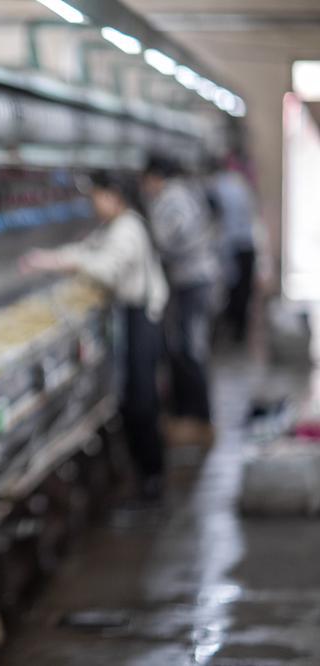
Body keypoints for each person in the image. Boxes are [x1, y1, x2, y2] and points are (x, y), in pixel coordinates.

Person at [20, 171, 169, 500]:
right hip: (131, 315)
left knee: (141, 402)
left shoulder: (129, 228)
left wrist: (60, 265)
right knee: (134, 398)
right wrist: (51, 259)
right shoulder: (117, 226)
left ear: (113, 195)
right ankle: (145, 477)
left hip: (141, 318)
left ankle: (151, 482)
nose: (93, 204)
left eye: (97, 196)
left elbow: (106, 268)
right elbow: (89, 249)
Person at [141, 155, 218, 447]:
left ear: (154, 177)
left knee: (189, 350)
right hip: (193, 279)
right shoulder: (184, 192)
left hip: (192, 280)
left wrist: (154, 242)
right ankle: (192, 418)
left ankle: (201, 420)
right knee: (185, 348)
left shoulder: (172, 198)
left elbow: (171, 237)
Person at [211, 154, 259, 343]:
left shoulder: (217, 185)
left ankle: (233, 330)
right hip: (245, 245)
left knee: (232, 290)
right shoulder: (242, 185)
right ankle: (239, 331)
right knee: (242, 291)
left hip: (230, 246)